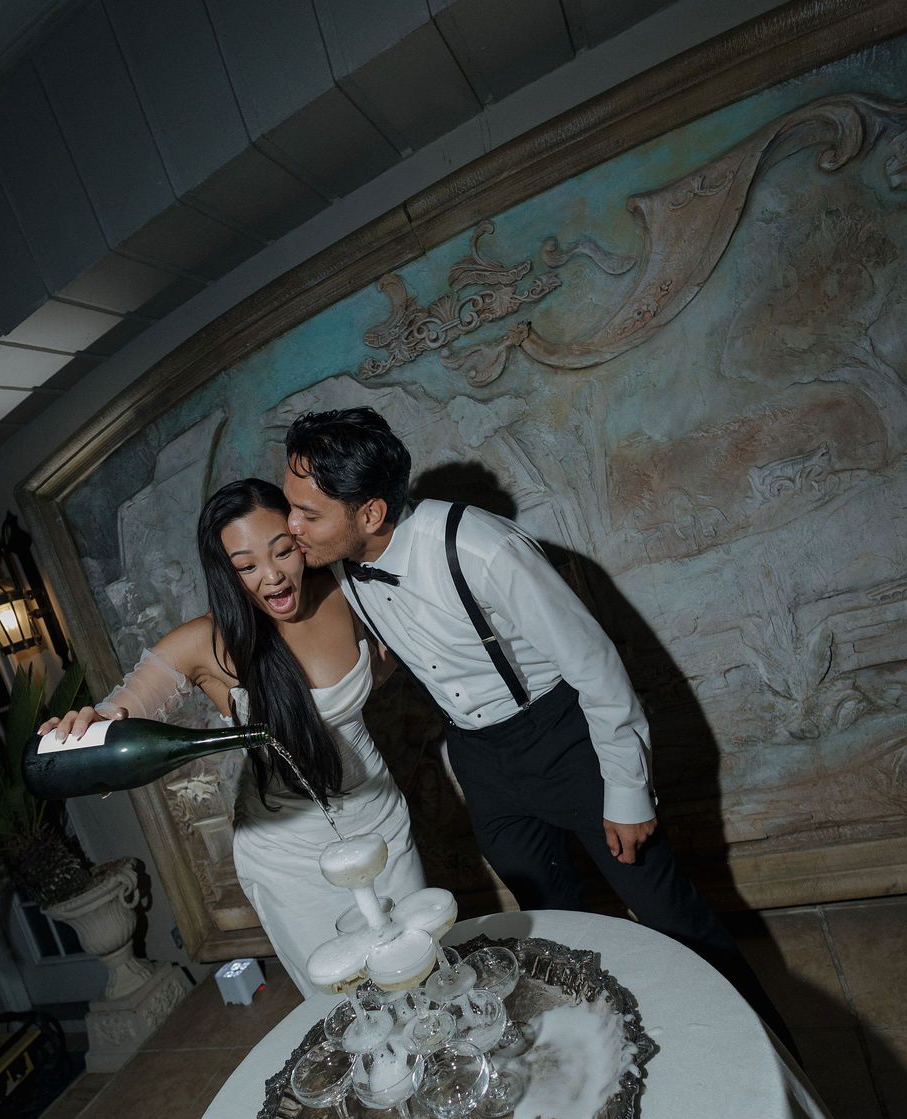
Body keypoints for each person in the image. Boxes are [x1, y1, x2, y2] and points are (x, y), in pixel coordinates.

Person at [282, 405, 797, 1050]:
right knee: (556, 930)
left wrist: (628, 788)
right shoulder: (340, 564)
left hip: (567, 740)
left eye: (308, 514)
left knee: (672, 916)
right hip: (480, 758)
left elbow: (597, 667)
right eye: (291, 506)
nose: (293, 527)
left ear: (371, 514)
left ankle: (773, 1062)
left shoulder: (482, 549)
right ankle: (609, 1064)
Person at [39, 477, 427, 997]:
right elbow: (118, 715)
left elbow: (379, 666)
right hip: (289, 858)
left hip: (380, 823)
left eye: (282, 551)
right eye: (245, 566)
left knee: (421, 972)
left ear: (299, 536)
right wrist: (85, 733)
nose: (271, 577)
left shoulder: (345, 589)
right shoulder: (203, 643)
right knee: (352, 1009)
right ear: (226, 572)